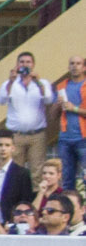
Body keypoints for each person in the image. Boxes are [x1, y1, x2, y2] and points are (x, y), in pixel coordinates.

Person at [0, 52, 54, 173]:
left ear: (33, 65)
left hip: (37, 135)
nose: (25, 64)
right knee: (15, 170)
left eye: (28, 62)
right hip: (16, 135)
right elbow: (1, 100)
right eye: (22, 62)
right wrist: (11, 82)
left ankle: (37, 192)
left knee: (38, 170)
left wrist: (38, 82)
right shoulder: (9, 83)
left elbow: (49, 99)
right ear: (17, 65)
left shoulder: (42, 83)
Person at [0, 133, 34, 222]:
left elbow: (25, 202)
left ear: (13, 148)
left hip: (9, 222)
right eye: (0, 145)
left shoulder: (22, 173)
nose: (3, 148)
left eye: (7, 145)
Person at [54, 55, 86, 192]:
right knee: (67, 179)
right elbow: (53, 116)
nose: (74, 66)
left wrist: (75, 109)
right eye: (72, 63)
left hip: (83, 138)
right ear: (68, 67)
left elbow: (74, 109)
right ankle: (68, 210)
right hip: (65, 139)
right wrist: (57, 105)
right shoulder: (62, 86)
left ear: (84, 67)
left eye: (78, 63)